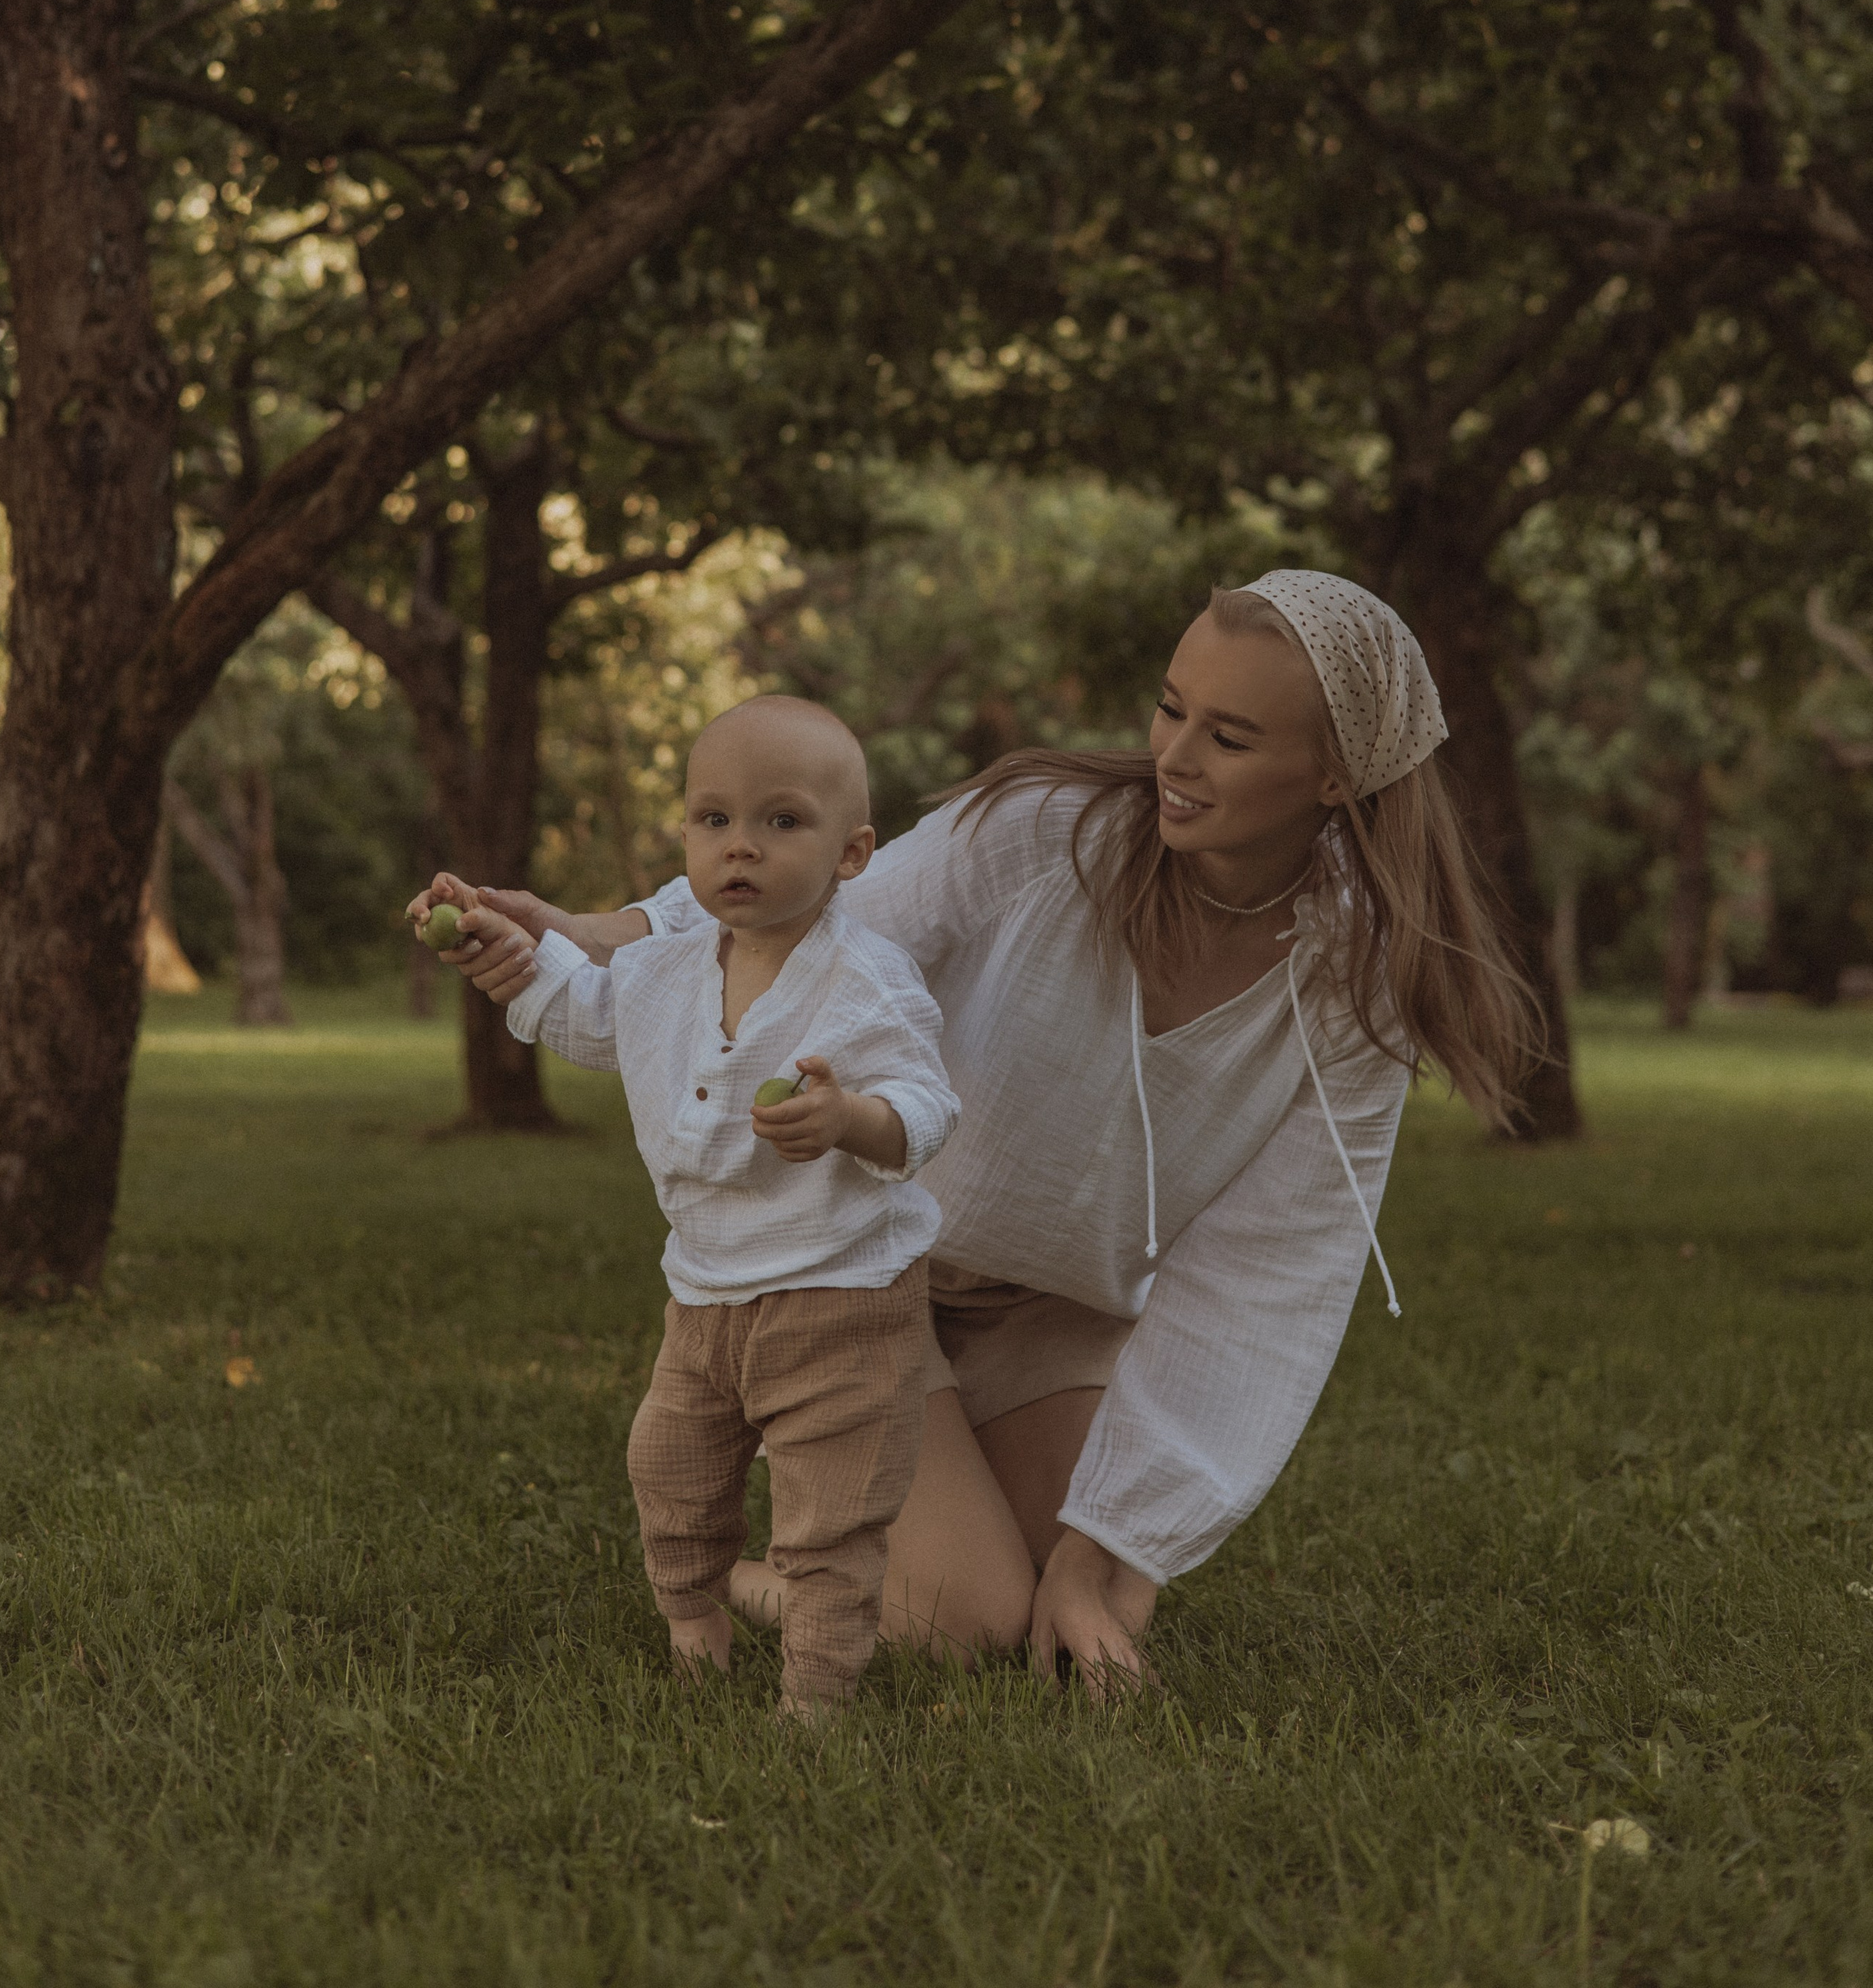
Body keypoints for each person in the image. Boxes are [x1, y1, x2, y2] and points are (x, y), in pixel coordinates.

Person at [438, 572, 1538, 1692]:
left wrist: (1105, 1553)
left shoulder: (1359, 983)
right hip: (854, 1278)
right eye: (1171, 709)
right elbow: (816, 907)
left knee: (1090, 1599)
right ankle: (746, 1568)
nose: (1173, 756)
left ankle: (865, 1512)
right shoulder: (1046, 834)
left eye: (1229, 737)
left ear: (1337, 774)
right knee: (966, 1622)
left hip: (1053, 1317)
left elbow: (1267, 1277)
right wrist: (589, 935)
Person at [411, 695, 958, 1719]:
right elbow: (588, 1014)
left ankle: (817, 1701)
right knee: (670, 1473)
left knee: (830, 1516)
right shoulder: (667, 960)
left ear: (851, 854)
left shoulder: (868, 982)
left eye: (781, 821)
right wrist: (504, 951)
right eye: (715, 820)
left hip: (839, 1295)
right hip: (704, 1296)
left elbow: (928, 1108)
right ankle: (694, 1625)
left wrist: (849, 1119)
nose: (740, 846)